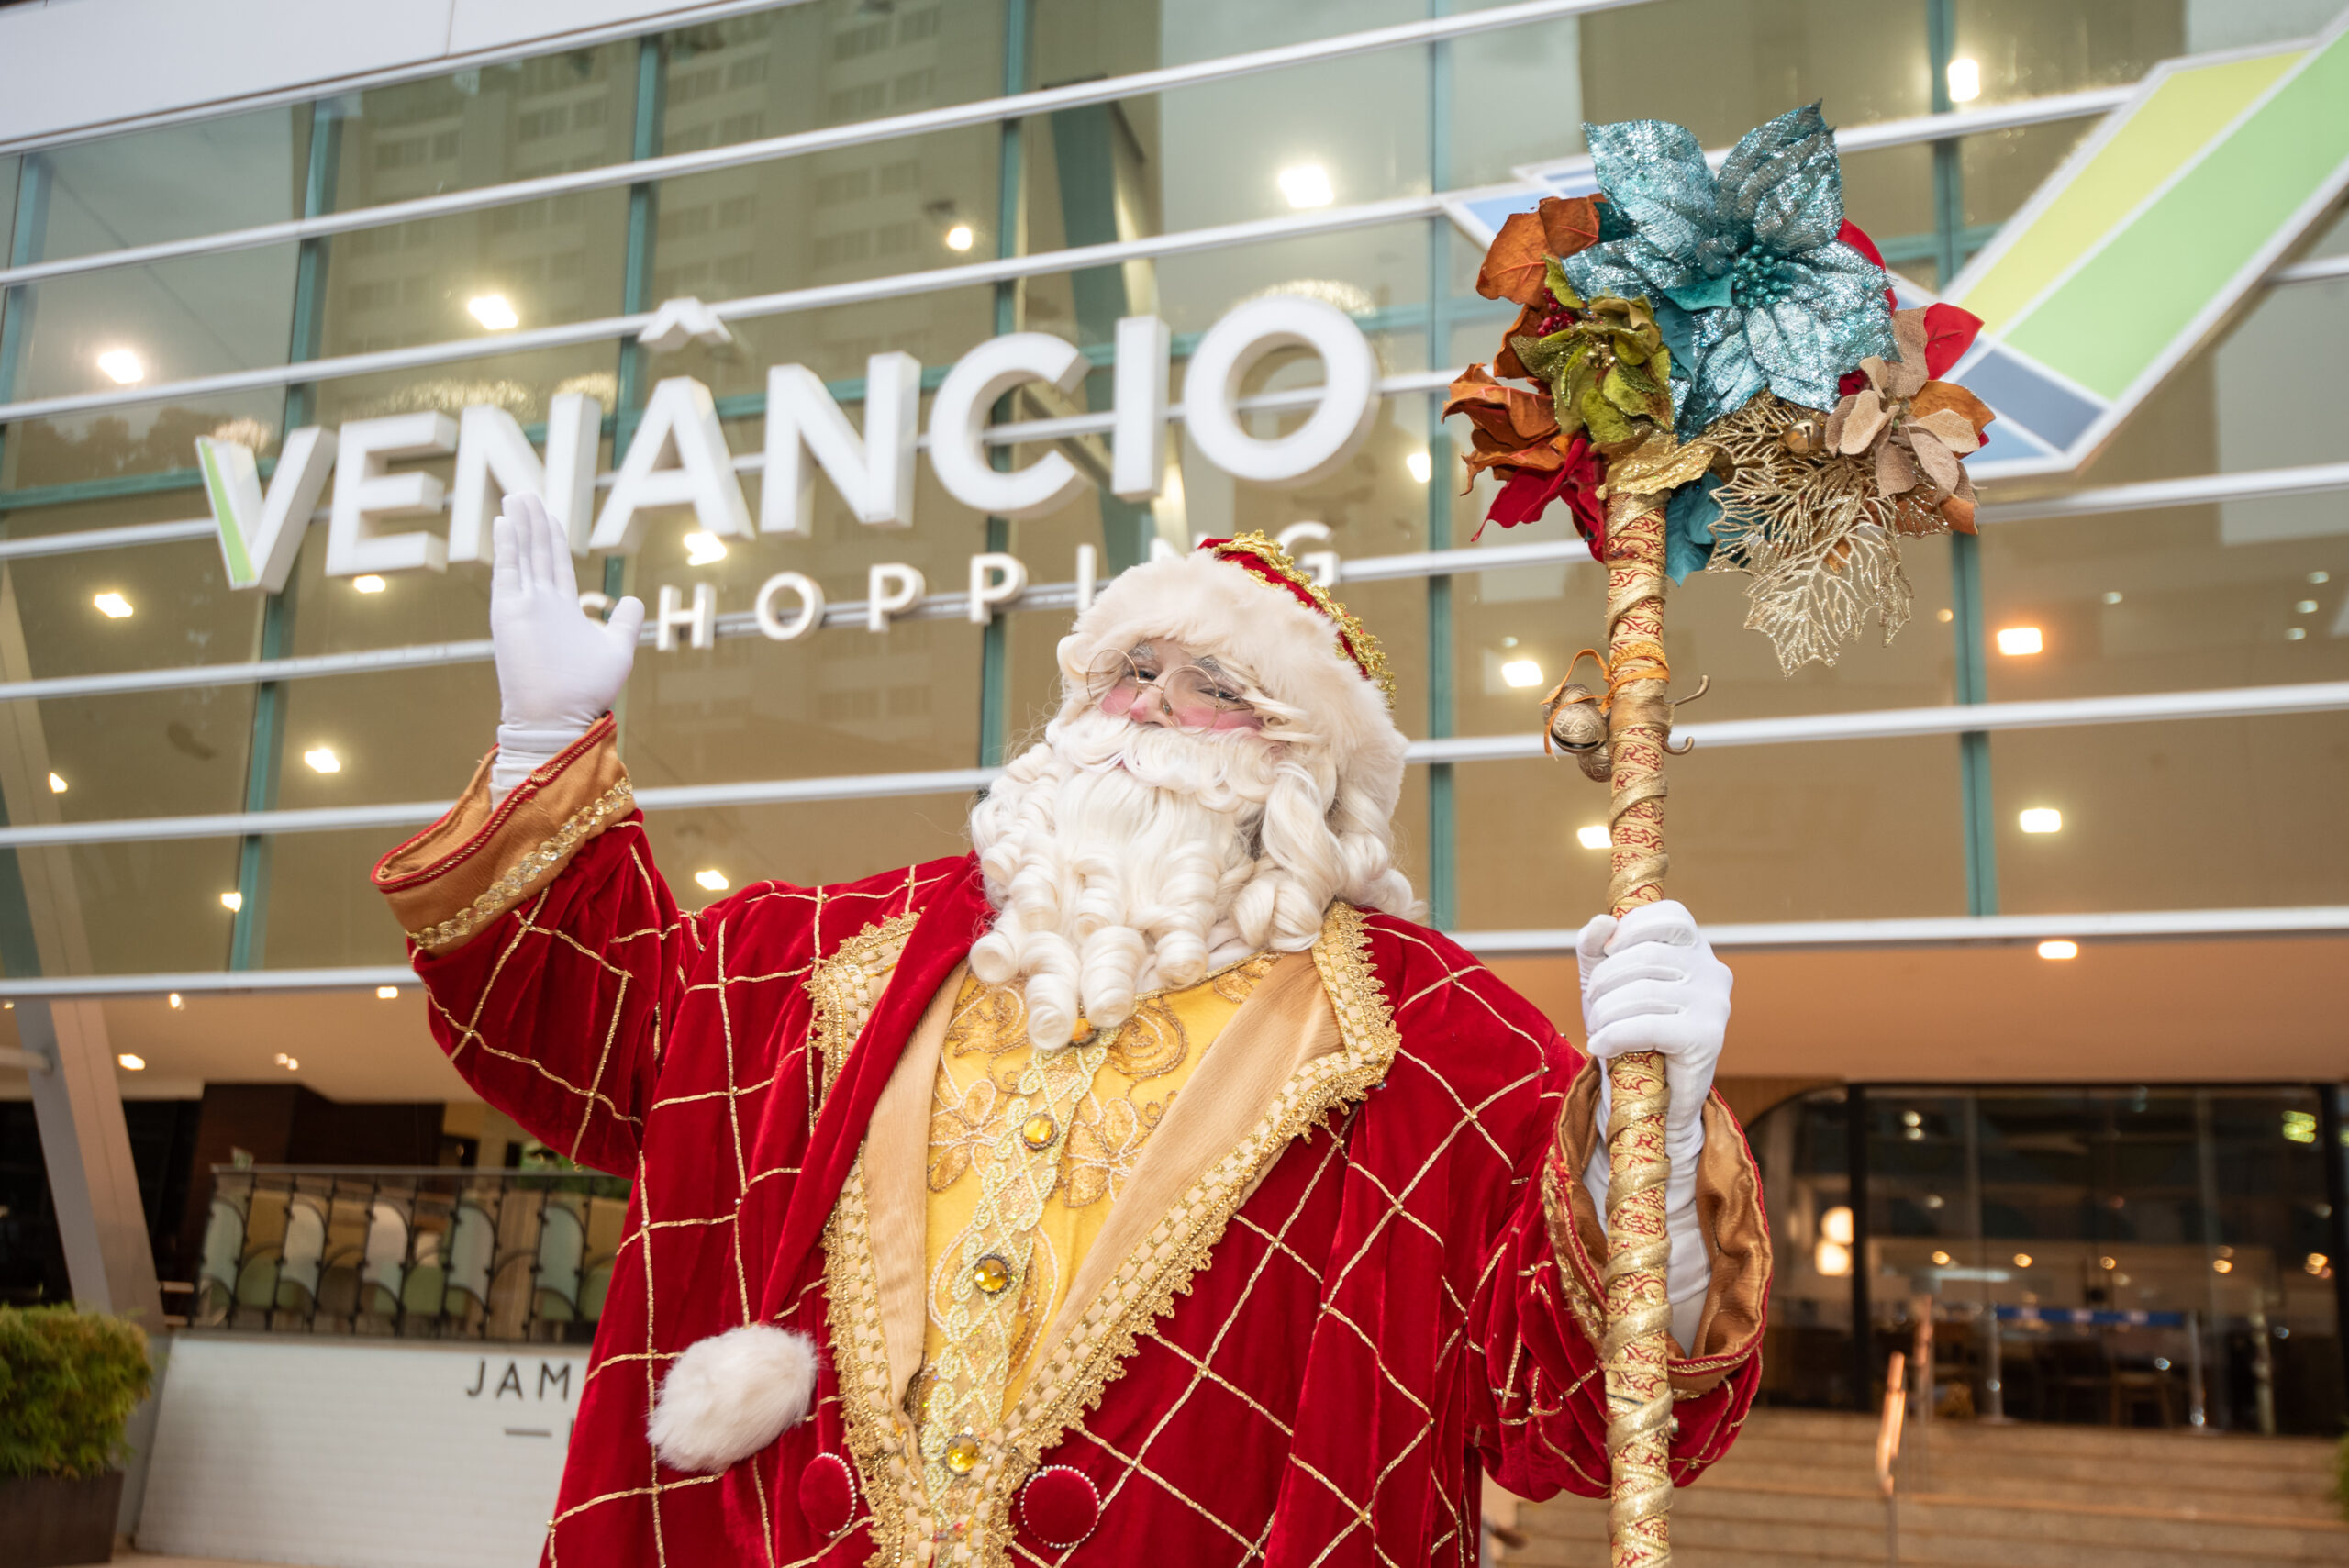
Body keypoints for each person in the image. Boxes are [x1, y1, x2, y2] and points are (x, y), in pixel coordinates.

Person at [372, 495, 1768, 1568]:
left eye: (1215, 682)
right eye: (1125, 666)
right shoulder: (819, 957)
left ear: (1305, 767)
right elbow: (590, 1035)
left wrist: (1644, 1149)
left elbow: (1586, 1405)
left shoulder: (1430, 1041)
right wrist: (540, 744)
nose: (1149, 703)